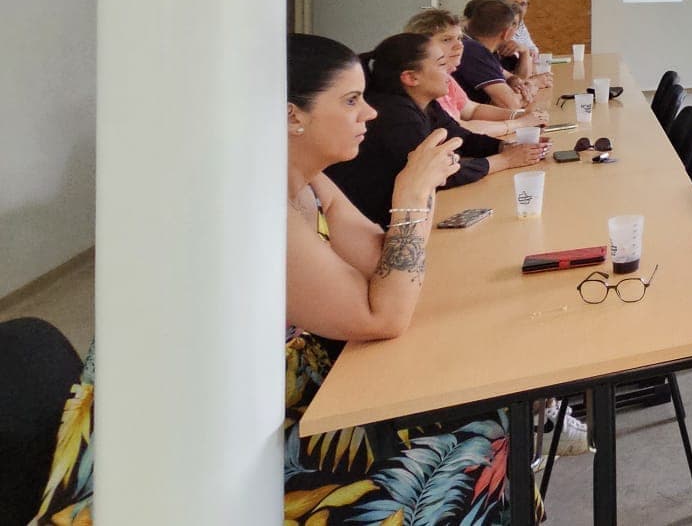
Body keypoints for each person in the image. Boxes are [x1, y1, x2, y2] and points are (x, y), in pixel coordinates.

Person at [33, 35, 514, 524]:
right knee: (479, 445)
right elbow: (384, 312)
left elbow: (380, 262)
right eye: (351, 101)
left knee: (479, 411)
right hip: (195, 453)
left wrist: (418, 192)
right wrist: (411, 193)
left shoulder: (305, 180)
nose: (369, 114)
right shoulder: (247, 204)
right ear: (290, 116)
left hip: (271, 401)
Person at [328, 32, 545, 227]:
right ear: (411, 77)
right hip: (377, 224)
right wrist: (505, 160)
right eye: (441, 65)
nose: (449, 76)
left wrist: (504, 146)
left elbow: (460, 137)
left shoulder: (424, 102)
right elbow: (437, 175)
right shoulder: (394, 116)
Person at [407, 7, 545, 137]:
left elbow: (472, 110)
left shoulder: (446, 76)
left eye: (459, 38)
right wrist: (519, 123)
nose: (459, 46)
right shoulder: (424, 81)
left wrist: (519, 115)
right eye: (447, 40)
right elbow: (459, 129)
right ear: (421, 46)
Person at [458, 0, 528, 111]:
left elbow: (511, 76)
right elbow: (511, 105)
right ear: (507, 33)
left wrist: (514, 81)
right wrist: (533, 87)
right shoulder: (473, 50)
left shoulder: (479, 49)